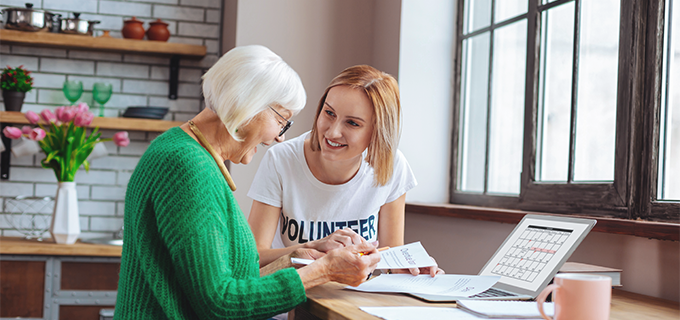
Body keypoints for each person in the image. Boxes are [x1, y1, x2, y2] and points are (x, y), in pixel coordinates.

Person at [114, 45, 381, 320]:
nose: (280, 137)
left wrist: (301, 254)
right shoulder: (186, 167)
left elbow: (228, 277)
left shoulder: (184, 151)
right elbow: (220, 302)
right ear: (248, 106)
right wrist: (323, 271)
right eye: (282, 121)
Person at [247, 65, 443, 277]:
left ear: (377, 131)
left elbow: (390, 257)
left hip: (355, 297)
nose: (333, 132)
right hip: (294, 298)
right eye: (329, 113)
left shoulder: (392, 166)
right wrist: (314, 247)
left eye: (352, 123)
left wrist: (413, 269)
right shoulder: (282, 159)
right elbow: (253, 257)